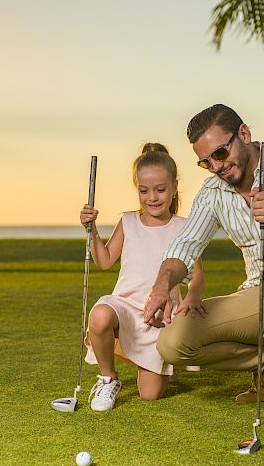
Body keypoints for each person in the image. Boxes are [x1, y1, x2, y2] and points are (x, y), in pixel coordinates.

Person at [144, 104, 264, 429]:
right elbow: (186, 246)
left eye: (220, 153)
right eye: (205, 162)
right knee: (172, 342)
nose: (216, 166)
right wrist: (162, 285)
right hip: (260, 300)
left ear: (244, 135)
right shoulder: (213, 191)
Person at [80, 143, 206, 412]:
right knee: (100, 315)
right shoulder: (128, 222)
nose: (153, 197)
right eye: (144, 190)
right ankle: (108, 377)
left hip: (160, 318)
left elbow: (196, 274)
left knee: (150, 395)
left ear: (174, 188)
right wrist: (91, 232)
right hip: (124, 307)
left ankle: (124, 347)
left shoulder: (185, 227)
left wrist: (192, 297)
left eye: (161, 190)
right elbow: (104, 261)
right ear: (137, 188)